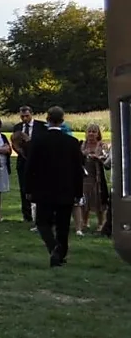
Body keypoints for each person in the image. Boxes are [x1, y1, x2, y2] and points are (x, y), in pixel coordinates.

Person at [24, 106, 85, 266]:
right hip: (66, 190)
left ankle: (54, 248)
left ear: (47, 119)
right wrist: (78, 192)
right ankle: (60, 254)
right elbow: (78, 170)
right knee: (63, 225)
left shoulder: (38, 141)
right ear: (62, 121)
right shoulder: (72, 143)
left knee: (43, 222)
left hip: (44, 190)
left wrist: (28, 189)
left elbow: (30, 167)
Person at [77, 124, 110, 236]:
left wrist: (98, 158)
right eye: (89, 131)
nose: (91, 134)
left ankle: (101, 223)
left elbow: (106, 159)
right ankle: (84, 222)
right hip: (84, 176)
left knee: (98, 199)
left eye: (94, 132)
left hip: (97, 176)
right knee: (84, 199)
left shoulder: (102, 145)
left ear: (98, 134)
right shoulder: (82, 144)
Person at [12, 105, 41, 227]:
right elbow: (15, 143)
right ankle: (26, 215)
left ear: (32, 114)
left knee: (38, 187)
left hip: (38, 161)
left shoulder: (40, 126)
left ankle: (39, 214)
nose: (24, 118)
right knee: (24, 188)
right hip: (23, 161)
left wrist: (29, 140)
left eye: (27, 116)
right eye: (22, 116)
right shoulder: (17, 127)